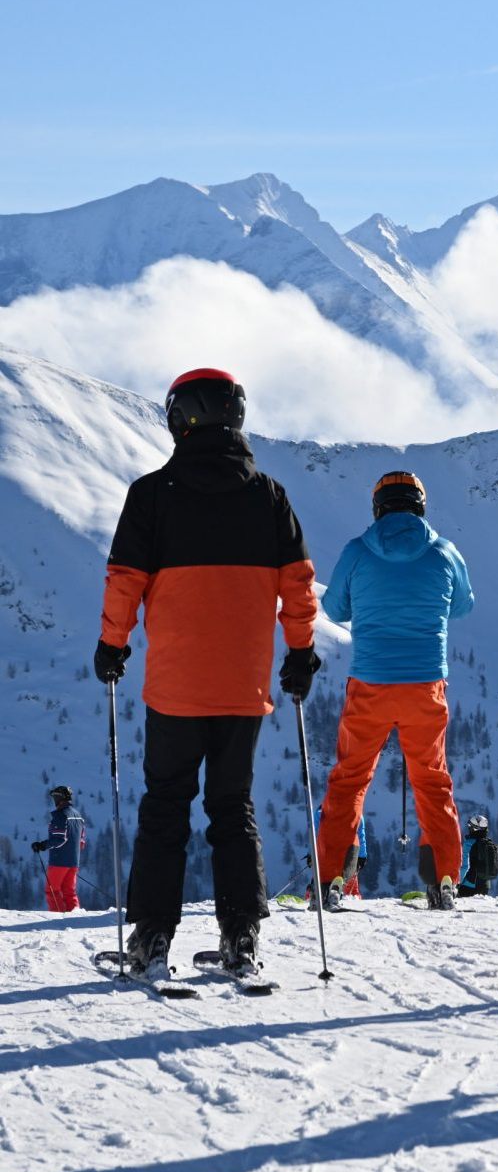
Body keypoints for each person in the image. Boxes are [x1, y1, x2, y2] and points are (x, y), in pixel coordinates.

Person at [95, 369, 318, 982]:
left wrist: (112, 644)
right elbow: (297, 585)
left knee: (166, 804)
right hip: (243, 688)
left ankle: (152, 938)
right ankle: (241, 937)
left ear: (184, 417)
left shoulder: (152, 493)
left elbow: (125, 581)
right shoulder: (268, 495)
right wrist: (299, 653)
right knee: (232, 805)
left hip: (176, 686)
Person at [314, 471, 474, 911]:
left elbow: (333, 608)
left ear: (378, 508)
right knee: (433, 781)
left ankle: (331, 879)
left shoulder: (358, 551)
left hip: (371, 682)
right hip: (426, 685)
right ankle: (443, 879)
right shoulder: (444, 552)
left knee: (349, 781)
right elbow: (463, 605)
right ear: (419, 506)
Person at [33, 784, 86, 912]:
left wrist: (42, 845)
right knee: (69, 891)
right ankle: (75, 917)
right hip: (74, 861)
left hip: (59, 861)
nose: (54, 800)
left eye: (55, 797)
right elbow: (82, 842)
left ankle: (57, 919)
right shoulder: (78, 816)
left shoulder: (60, 815)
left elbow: (60, 839)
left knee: (52, 890)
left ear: (59, 798)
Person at [458, 813, 498, 898]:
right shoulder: (488, 843)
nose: (469, 828)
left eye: (470, 826)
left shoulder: (469, 843)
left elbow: (465, 866)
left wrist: (457, 883)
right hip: (485, 886)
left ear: (474, 829)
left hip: (468, 886)